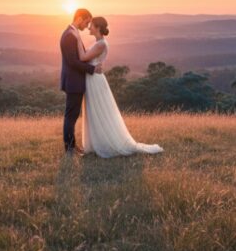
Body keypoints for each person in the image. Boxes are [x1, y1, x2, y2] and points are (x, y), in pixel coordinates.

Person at [75, 16, 163, 158]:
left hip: (95, 80)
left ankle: (104, 143)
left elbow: (83, 58)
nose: (89, 28)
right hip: (92, 79)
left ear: (97, 28)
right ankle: (96, 143)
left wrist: (77, 39)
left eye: (91, 26)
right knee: (94, 111)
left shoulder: (101, 44)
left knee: (99, 111)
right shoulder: (98, 42)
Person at [59, 8, 101, 154]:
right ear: (79, 18)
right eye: (86, 22)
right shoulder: (70, 35)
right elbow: (73, 62)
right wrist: (92, 69)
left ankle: (71, 145)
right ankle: (69, 148)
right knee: (71, 116)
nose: (87, 26)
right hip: (73, 82)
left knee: (72, 115)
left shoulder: (72, 33)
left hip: (74, 81)